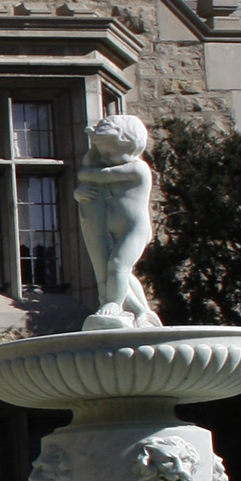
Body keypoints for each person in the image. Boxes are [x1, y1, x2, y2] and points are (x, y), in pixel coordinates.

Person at [75, 113, 161, 330]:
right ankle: (143, 312)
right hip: (115, 230)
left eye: (109, 151)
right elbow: (92, 185)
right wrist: (79, 195)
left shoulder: (137, 169)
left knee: (118, 266)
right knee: (122, 272)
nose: (103, 157)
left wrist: (87, 171)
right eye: (101, 151)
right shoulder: (111, 167)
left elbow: (95, 175)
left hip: (135, 230)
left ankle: (114, 303)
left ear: (130, 145)